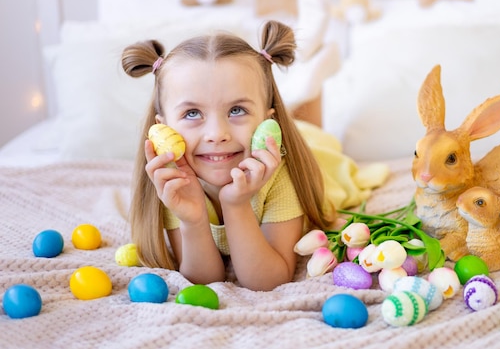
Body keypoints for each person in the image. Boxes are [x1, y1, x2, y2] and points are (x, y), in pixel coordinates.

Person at [121, 20, 387, 291]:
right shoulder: (172, 181)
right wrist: (193, 219)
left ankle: (313, 76)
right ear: (162, 128)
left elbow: (267, 281)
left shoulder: (282, 176)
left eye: (236, 110)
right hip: (246, 149)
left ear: (266, 120)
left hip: (319, 154)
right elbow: (205, 280)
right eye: (192, 113)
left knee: (322, 142)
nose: (216, 134)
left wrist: (236, 205)